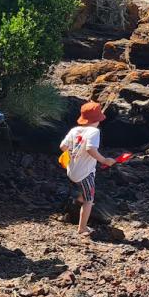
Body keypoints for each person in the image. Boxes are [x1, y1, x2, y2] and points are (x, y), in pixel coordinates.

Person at [60, 101, 115, 238]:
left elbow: (62, 147)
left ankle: (77, 200)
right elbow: (90, 149)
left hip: (71, 170)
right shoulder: (94, 131)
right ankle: (82, 228)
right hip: (85, 174)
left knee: (82, 192)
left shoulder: (74, 130)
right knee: (89, 200)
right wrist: (104, 160)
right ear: (98, 119)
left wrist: (74, 151)